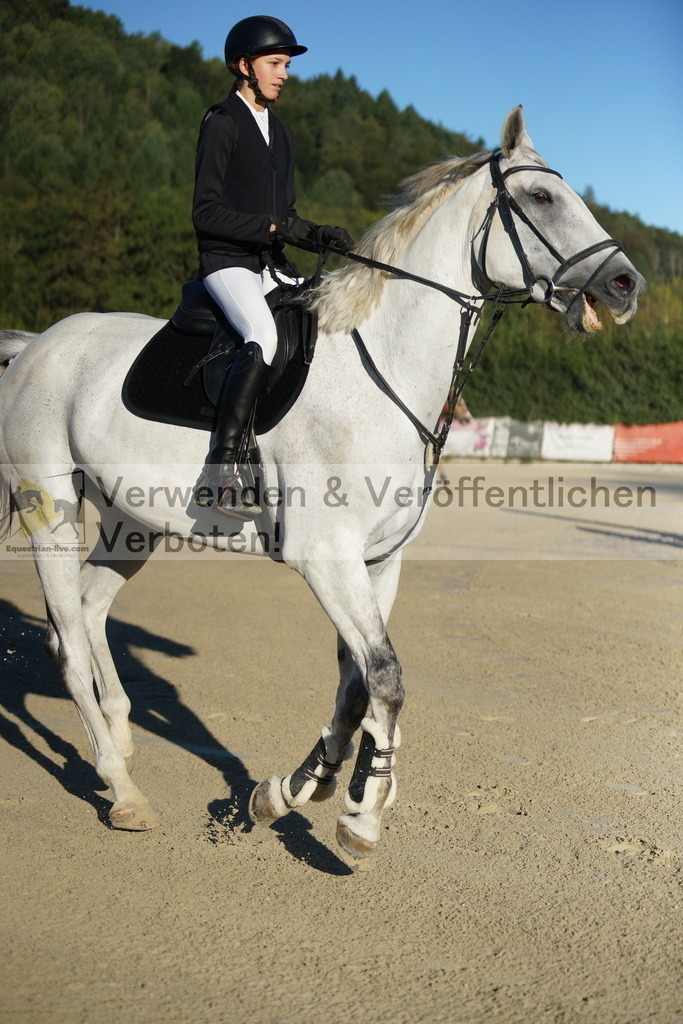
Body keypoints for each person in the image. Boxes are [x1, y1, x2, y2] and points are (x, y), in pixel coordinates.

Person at [192, 15, 354, 516]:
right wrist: (270, 228)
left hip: (270, 264)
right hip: (227, 264)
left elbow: (284, 219)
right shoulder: (220, 123)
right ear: (244, 66)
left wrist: (314, 233)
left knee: (320, 324)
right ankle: (220, 473)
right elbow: (205, 212)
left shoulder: (282, 134)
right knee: (262, 334)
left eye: (286, 65)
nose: (284, 73)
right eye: (275, 63)